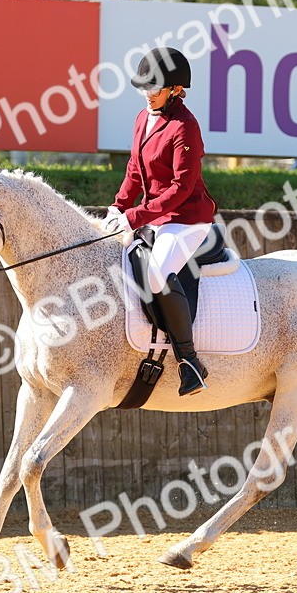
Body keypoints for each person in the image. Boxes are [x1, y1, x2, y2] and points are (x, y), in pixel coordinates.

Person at [104, 47, 219, 396]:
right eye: (144, 87)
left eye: (154, 88)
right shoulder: (144, 118)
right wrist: (118, 207)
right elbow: (135, 171)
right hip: (154, 217)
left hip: (186, 220)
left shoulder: (186, 127)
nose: (147, 94)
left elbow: (180, 189)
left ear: (176, 90)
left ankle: (190, 363)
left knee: (156, 274)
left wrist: (134, 216)